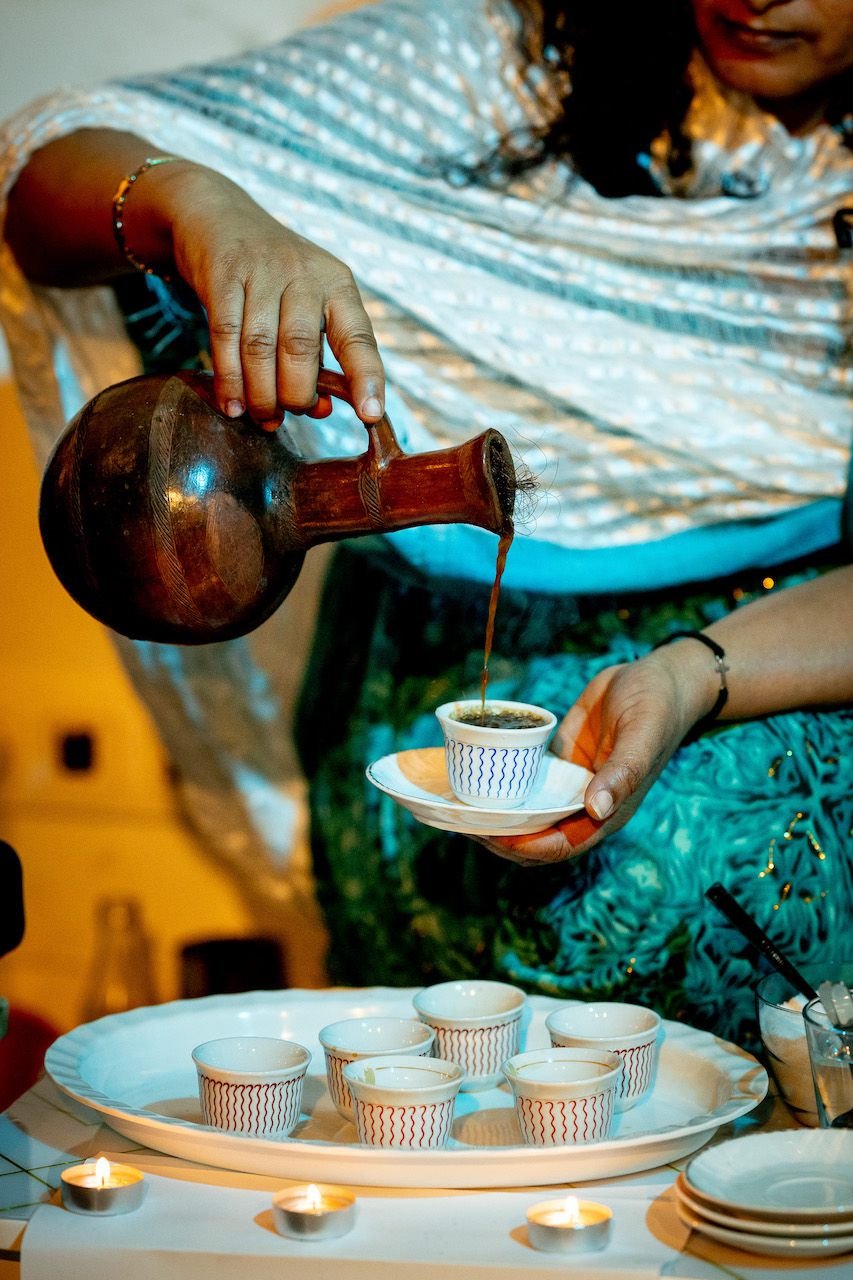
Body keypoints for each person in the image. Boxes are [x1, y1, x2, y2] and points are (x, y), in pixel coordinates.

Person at [1, 0, 851, 1043]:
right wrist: (195, 200)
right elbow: (43, 181)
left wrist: (688, 677)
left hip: (768, 704)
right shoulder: (510, 59)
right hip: (413, 739)